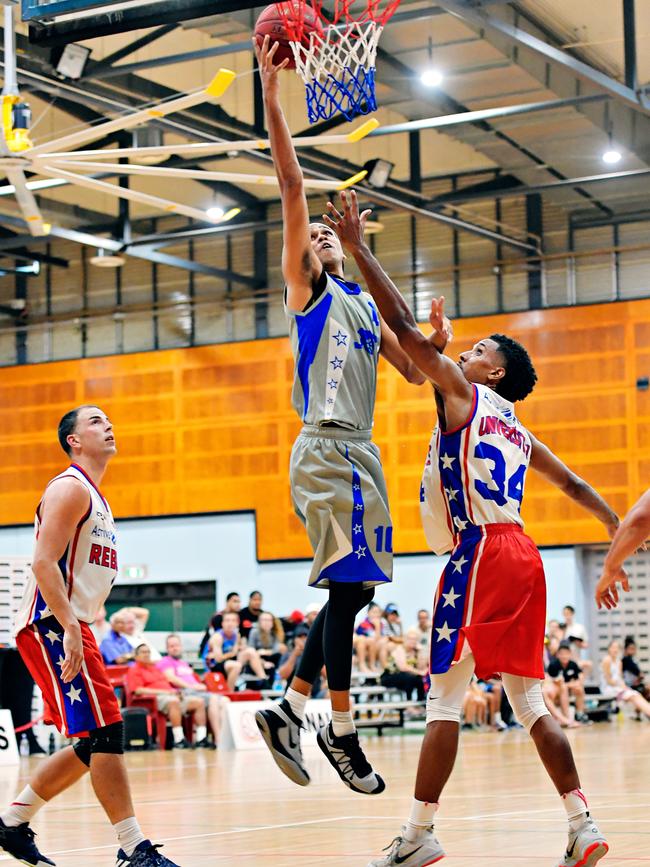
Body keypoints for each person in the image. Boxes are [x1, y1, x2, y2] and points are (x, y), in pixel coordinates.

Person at [320, 194, 620, 866]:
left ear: (493, 372)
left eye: (479, 349)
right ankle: (583, 821)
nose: (466, 350)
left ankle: (420, 832)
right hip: (524, 550)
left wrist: (360, 249)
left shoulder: (462, 391)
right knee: (527, 696)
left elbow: (399, 323)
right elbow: (572, 486)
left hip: (479, 549)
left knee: (444, 701)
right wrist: (618, 528)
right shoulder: (517, 426)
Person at [252, 36, 425, 797]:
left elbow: (415, 371)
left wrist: (437, 343)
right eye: (311, 236)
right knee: (347, 587)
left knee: (355, 593)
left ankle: (291, 706)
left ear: (346, 250)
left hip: (365, 453)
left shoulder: (358, 302)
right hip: (325, 450)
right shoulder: (310, 294)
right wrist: (271, 92)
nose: (318, 236)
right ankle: (339, 727)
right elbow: (292, 186)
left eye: (328, 235)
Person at [0, 405, 180, 867]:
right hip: (53, 625)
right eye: (96, 421)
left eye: (109, 420)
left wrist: (82, 625)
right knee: (108, 731)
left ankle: (12, 825)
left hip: (71, 624)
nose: (109, 425)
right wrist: (70, 629)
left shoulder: (97, 498)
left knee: (92, 740)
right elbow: (43, 563)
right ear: (73, 440)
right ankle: (133, 847)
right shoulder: (69, 487)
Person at [127, 644, 205, 749]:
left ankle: (201, 739)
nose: (147, 654)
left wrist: (176, 692)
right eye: (143, 652)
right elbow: (138, 690)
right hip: (152, 699)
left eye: (148, 652)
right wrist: (165, 693)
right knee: (173, 702)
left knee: (199, 702)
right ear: (136, 656)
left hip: (170, 696)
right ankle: (179, 740)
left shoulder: (156, 669)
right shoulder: (134, 670)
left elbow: (168, 686)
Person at [157, 634, 225, 748]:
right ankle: (219, 739)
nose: (175, 648)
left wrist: (200, 685)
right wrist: (192, 686)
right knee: (213, 700)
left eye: (177, 645)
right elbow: (171, 678)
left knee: (224, 701)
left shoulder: (184, 664)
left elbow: (195, 680)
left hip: (197, 691)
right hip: (184, 692)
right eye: (171, 646)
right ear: (167, 648)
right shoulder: (165, 662)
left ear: (181, 647)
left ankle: (220, 736)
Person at [206, 611, 267, 690]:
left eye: (233, 621)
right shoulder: (218, 637)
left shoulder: (236, 635)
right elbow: (218, 659)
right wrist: (233, 653)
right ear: (222, 623)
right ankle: (230, 692)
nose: (230, 623)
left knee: (250, 651)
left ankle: (264, 681)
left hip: (229, 661)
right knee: (236, 665)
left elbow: (239, 652)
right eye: (227, 620)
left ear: (237, 624)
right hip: (214, 665)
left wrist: (263, 662)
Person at [599, 639, 650, 719]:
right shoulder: (607, 660)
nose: (615, 650)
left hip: (618, 687)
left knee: (636, 694)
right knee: (633, 696)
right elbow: (609, 681)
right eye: (613, 647)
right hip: (608, 688)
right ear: (609, 649)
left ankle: (646, 712)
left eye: (617, 648)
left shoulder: (619, 662)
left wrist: (624, 686)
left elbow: (620, 678)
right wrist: (621, 687)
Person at [547, 641, 589, 725]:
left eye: (566, 653)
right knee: (564, 688)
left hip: (569, 688)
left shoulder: (573, 664)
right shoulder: (553, 665)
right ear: (558, 654)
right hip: (558, 691)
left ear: (570, 654)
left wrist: (572, 684)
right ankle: (566, 717)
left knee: (579, 689)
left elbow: (580, 678)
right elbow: (552, 681)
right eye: (562, 654)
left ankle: (579, 713)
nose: (564, 656)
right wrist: (568, 684)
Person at [278, 625, 325, 698]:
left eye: (305, 636)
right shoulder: (288, 655)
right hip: (293, 694)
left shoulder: (316, 653)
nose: (303, 639)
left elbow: (326, 674)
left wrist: (313, 653)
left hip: (316, 694)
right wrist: (294, 655)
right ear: (294, 639)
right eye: (300, 637)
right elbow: (283, 676)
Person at [380, 629, 427, 702]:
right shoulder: (400, 649)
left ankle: (420, 702)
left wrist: (420, 652)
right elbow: (403, 667)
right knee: (410, 677)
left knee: (420, 679)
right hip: (390, 676)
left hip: (405, 677)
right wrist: (419, 672)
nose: (413, 641)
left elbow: (421, 667)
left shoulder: (416, 651)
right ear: (405, 639)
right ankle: (409, 705)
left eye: (415, 639)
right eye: (410, 639)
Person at [199, 592, 242, 657]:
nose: (238, 604)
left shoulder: (238, 617)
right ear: (227, 602)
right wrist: (233, 652)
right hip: (210, 650)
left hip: (226, 650)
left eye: (239, 602)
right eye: (235, 601)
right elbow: (219, 639)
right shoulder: (218, 617)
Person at [248, 611, 285, 686]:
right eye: (264, 620)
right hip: (257, 660)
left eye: (268, 620)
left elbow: (276, 650)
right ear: (259, 621)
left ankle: (275, 686)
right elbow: (251, 651)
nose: (266, 622)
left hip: (272, 659)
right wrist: (263, 662)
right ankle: (267, 687)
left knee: (279, 655)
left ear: (272, 622)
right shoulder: (254, 632)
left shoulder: (276, 633)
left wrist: (264, 651)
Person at [354, 602, 387, 674]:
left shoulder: (382, 624)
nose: (377, 615)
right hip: (362, 650)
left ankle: (372, 665)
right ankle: (363, 665)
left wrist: (378, 626)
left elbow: (380, 641)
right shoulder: (363, 624)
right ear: (368, 613)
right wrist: (377, 627)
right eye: (374, 612)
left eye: (378, 612)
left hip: (373, 650)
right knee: (368, 640)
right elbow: (361, 638)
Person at [622, 636, 650, 701]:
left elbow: (641, 675)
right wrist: (638, 679)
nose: (633, 651)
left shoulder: (631, 660)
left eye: (634, 649)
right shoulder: (626, 660)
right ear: (626, 649)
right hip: (630, 686)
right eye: (631, 648)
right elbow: (640, 675)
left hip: (634, 685)